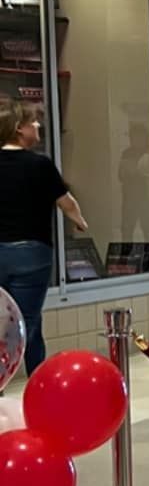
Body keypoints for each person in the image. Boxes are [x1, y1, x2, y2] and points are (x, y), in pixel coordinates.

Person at [0, 101, 89, 373]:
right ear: (19, 129)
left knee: (4, 321)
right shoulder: (40, 165)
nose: (38, 125)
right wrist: (81, 223)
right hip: (32, 254)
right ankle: (37, 380)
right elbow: (67, 203)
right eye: (33, 121)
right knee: (28, 321)